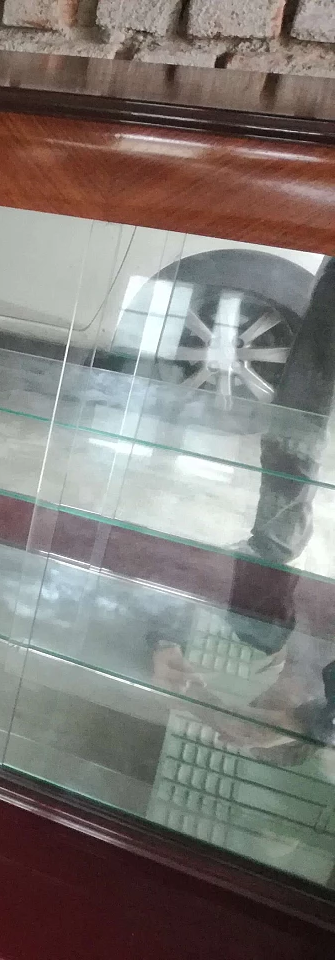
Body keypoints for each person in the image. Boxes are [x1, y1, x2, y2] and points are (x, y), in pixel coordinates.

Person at [153, 256, 335, 756]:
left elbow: (197, 572)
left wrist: (164, 642)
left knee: (290, 440)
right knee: (292, 437)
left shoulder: (263, 632)